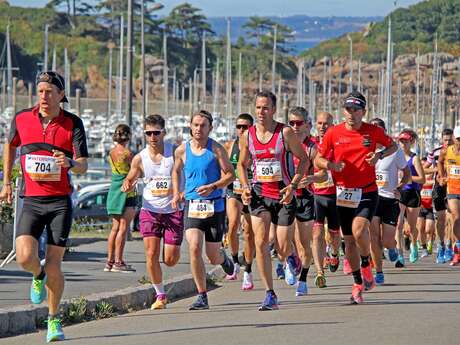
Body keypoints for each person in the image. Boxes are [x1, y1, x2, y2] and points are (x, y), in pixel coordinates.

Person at [0, 71, 88, 342]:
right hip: (32, 200)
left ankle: (53, 320)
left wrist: (70, 163)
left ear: (61, 95)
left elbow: (83, 165)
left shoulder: (73, 123)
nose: (43, 96)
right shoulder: (22, 118)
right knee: (25, 256)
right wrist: (6, 182)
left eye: (49, 91)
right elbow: (10, 146)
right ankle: (36, 275)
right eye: (40, 91)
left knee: (54, 265)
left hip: (60, 203)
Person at [315, 91, 397, 304]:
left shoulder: (373, 131)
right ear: (344, 111)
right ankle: (358, 282)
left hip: (367, 191)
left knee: (359, 230)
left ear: (364, 111)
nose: (352, 114)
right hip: (343, 193)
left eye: (356, 110)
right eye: (348, 109)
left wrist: (379, 154)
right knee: (348, 242)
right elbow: (319, 159)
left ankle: (366, 262)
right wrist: (331, 165)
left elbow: (393, 146)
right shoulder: (334, 133)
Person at [238, 91, 308, 311]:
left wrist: (294, 185)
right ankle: (270, 294)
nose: (261, 112)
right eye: (258, 107)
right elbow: (241, 164)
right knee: (260, 242)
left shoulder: (285, 133)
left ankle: (291, 257)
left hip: (283, 194)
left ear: (274, 110)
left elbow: (304, 160)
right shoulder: (247, 135)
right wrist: (245, 186)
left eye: (266, 108)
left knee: (282, 247)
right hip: (259, 194)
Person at [172, 110, 235, 310]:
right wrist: (176, 192)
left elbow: (230, 175)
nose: (199, 129)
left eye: (203, 125)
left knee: (213, 257)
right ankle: (202, 295)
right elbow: (175, 170)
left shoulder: (216, 149)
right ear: (190, 126)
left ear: (210, 128)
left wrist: (214, 186)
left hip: (215, 206)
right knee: (194, 247)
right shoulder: (182, 150)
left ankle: (223, 258)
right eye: (196, 125)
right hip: (192, 206)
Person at [121, 114, 184, 309]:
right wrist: (127, 183)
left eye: (156, 132)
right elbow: (132, 176)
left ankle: (169, 261)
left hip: (173, 210)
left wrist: (181, 193)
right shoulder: (140, 158)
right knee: (150, 254)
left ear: (164, 132)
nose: (152, 137)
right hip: (150, 210)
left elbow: (187, 176)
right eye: (149, 133)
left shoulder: (174, 153)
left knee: (171, 259)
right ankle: (160, 295)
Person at [369, 118, 410, 284]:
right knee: (373, 237)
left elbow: (406, 173)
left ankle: (392, 247)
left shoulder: (395, 151)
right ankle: (378, 271)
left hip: (389, 199)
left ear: (383, 132)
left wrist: (400, 188)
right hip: (371, 198)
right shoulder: (365, 149)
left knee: (386, 240)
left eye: (378, 129)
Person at [287, 107, 322, 296]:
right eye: (291, 123)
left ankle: (303, 279)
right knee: (281, 240)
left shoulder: (312, 149)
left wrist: (312, 179)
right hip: (286, 197)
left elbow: (324, 174)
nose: (294, 127)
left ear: (307, 125)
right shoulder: (283, 145)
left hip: (305, 199)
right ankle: (289, 259)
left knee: (304, 243)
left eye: (298, 123)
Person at [224, 113, 256, 290]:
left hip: (251, 192)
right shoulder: (230, 145)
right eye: (239, 127)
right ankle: (235, 261)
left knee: (249, 233)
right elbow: (225, 168)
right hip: (234, 190)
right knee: (233, 224)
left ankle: (248, 270)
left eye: (245, 127)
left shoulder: (256, 146)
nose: (242, 130)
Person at [311, 111, 343, 284]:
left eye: (326, 124)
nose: (322, 127)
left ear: (332, 125)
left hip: (334, 196)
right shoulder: (312, 144)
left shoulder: (337, 144)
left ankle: (335, 253)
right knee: (316, 234)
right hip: (316, 195)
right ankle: (319, 272)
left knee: (333, 235)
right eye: (319, 123)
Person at [105, 124, 137, 273]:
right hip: (127, 191)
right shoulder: (128, 154)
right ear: (128, 136)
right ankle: (119, 261)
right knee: (123, 228)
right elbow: (136, 171)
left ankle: (109, 262)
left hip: (113, 189)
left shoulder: (110, 153)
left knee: (115, 228)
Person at [395, 129, 425, 265]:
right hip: (400, 193)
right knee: (398, 224)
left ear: (411, 142)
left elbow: (422, 179)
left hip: (413, 193)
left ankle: (413, 245)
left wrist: (408, 177)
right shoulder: (395, 157)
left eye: (405, 141)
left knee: (412, 227)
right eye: (401, 141)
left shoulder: (415, 158)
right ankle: (399, 254)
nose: (403, 144)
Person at [425, 129, 453, 263]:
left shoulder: (456, 152)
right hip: (439, 187)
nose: (448, 142)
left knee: (452, 218)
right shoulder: (435, 152)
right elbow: (424, 168)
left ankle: (449, 245)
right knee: (441, 219)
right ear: (441, 140)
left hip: (453, 187)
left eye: (450, 139)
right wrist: (436, 169)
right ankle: (441, 245)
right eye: (445, 139)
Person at [437, 125, 460, 266]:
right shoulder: (447, 151)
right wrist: (441, 176)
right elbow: (439, 161)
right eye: (458, 139)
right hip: (452, 190)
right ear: (454, 138)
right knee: (457, 218)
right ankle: (457, 250)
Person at [417, 157, 436, 258]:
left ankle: (430, 243)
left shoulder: (433, 180)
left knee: (428, 229)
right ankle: (424, 247)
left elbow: (432, 181)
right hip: (420, 207)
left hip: (429, 208)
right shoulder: (420, 180)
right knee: (420, 229)